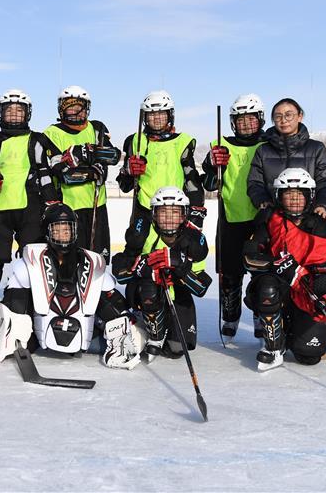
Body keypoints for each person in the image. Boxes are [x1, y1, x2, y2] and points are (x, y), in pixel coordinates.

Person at [0, 203, 145, 370]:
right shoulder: (32, 259)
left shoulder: (89, 260)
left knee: (109, 300)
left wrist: (126, 321)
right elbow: (13, 299)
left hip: (85, 333)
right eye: (57, 229)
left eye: (66, 229)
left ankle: (118, 344)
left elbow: (112, 296)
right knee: (18, 295)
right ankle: (16, 339)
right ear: (47, 231)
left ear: (74, 231)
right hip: (37, 334)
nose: (62, 234)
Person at [242, 168, 326, 371]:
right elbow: (249, 256)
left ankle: (296, 335)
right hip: (279, 286)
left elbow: (324, 263)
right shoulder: (269, 219)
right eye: (288, 194)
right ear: (278, 197)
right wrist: (276, 265)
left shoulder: (322, 222)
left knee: (310, 356)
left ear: (310, 196)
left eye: (299, 194)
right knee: (267, 287)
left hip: (304, 286)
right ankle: (273, 347)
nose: (294, 200)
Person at [0, 89, 61, 306]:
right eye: (9, 110)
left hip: (31, 208)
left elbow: (58, 165)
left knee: (33, 255)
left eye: (19, 111)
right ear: (0, 113)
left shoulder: (38, 139)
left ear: (27, 114)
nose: (14, 115)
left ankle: (32, 295)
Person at [112, 186, 211, 361]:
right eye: (163, 212)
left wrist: (179, 269)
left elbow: (201, 288)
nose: (168, 218)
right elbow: (120, 271)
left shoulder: (193, 240)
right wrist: (141, 267)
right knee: (148, 287)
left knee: (176, 349)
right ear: (154, 214)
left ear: (183, 215)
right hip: (146, 293)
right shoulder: (143, 232)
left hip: (177, 296)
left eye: (174, 212)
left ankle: (162, 328)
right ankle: (152, 334)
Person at [201, 93, 267, 340]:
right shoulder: (221, 145)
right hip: (231, 217)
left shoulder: (268, 144)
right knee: (230, 274)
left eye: (251, 119)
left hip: (261, 218)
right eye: (241, 120)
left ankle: (262, 316)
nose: (246, 124)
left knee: (261, 273)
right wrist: (212, 164)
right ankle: (230, 316)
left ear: (260, 120)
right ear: (232, 122)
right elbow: (208, 184)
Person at [116, 90, 206, 256]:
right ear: (145, 118)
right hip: (145, 209)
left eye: (161, 113)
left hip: (174, 210)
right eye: (151, 114)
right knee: (137, 249)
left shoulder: (182, 142)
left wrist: (196, 210)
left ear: (170, 115)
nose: (156, 118)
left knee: (182, 254)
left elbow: (191, 179)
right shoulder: (135, 141)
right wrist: (128, 171)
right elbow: (125, 185)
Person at [44, 86, 121, 262]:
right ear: (61, 108)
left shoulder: (96, 128)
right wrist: (90, 169)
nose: (75, 111)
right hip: (68, 207)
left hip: (96, 205)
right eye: (69, 107)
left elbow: (112, 156)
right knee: (70, 259)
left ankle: (98, 289)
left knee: (98, 259)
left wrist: (88, 157)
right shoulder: (51, 133)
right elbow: (63, 173)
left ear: (87, 108)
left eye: (79, 106)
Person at [247, 98, 326, 218]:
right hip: (274, 217)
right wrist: (263, 201)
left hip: (310, 217)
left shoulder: (316, 148)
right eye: (278, 116)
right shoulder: (263, 150)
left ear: (300, 116)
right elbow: (255, 183)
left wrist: (323, 204)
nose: (283, 120)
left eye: (288, 115)